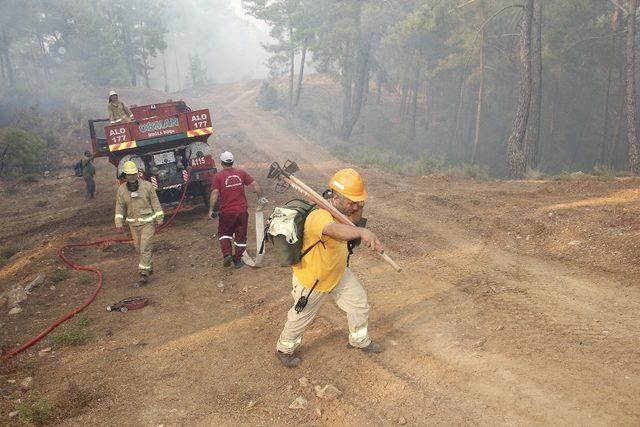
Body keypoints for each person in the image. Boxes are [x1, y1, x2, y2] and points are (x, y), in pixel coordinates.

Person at [275, 168, 383, 368]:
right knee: (300, 318)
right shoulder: (319, 215)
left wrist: (358, 206)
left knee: (359, 304)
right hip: (314, 280)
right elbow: (336, 231)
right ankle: (285, 348)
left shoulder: (343, 210)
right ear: (335, 196)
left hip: (338, 272)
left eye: (358, 200)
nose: (355, 205)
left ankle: (359, 340)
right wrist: (360, 232)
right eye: (351, 201)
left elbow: (353, 221)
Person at [208, 151, 266, 269]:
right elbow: (255, 185)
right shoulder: (241, 173)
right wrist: (260, 198)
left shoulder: (218, 176)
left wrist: (211, 209)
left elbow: (214, 193)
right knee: (240, 236)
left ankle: (227, 254)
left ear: (221, 162)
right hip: (242, 212)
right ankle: (238, 260)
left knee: (224, 233)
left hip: (226, 212)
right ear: (232, 162)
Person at [114, 161, 164, 285]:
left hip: (148, 223)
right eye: (129, 175)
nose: (132, 177)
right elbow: (119, 208)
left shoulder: (147, 186)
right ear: (125, 175)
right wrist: (118, 223)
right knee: (139, 249)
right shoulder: (121, 190)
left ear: (138, 174)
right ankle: (148, 267)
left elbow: (155, 203)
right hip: (133, 225)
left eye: (134, 174)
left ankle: (143, 273)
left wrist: (159, 218)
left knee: (145, 247)